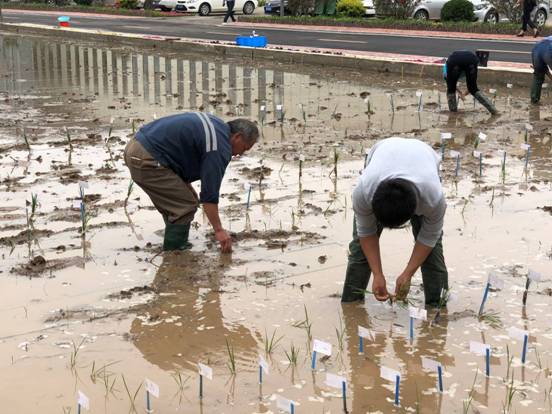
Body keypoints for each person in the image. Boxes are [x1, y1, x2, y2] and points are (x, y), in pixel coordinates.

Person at [124, 113, 259, 252]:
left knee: (185, 199)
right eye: (244, 148)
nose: (240, 154)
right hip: (147, 157)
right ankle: (175, 256)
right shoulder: (219, 147)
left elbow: (177, 154)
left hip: (137, 147)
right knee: (184, 206)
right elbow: (209, 195)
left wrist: (185, 185)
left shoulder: (216, 126)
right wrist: (219, 230)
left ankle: (175, 241)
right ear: (237, 137)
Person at [341, 137, 448, 306]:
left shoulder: (433, 199)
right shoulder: (364, 192)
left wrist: (408, 273)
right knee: (360, 250)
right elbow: (366, 233)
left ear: (415, 212)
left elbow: (428, 238)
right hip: (384, 150)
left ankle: (437, 309)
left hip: (423, 155)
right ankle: (351, 305)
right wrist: (377, 274)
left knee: (432, 254)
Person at [443, 50, 497, 115]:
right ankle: (494, 111)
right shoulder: (450, 69)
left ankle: (453, 112)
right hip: (472, 60)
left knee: (451, 90)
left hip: (454, 62)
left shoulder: (447, 70)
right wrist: (461, 93)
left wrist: (462, 94)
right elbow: (471, 87)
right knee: (473, 88)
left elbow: (451, 85)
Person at [530, 36, 552, 103]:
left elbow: (544, 70)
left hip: (537, 48)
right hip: (550, 49)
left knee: (538, 76)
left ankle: (534, 100)